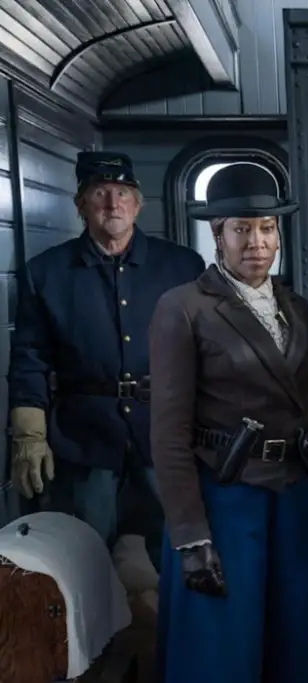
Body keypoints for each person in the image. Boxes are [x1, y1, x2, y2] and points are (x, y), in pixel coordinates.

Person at [148, 163, 308, 682]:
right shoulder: (183, 308)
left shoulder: (296, 308)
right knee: (223, 653)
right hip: (224, 499)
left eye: (267, 228)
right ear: (217, 234)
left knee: (302, 650)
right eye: (241, 229)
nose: (256, 242)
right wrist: (191, 537)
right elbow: (169, 434)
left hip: (296, 495)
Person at [7, 151, 205, 570]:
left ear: (138, 204)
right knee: (81, 558)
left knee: (183, 555)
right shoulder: (45, 273)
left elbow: (207, 352)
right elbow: (30, 360)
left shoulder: (183, 266)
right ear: (81, 205)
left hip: (166, 433)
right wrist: (29, 436)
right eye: (100, 193)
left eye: (123, 193)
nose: (113, 204)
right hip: (83, 438)